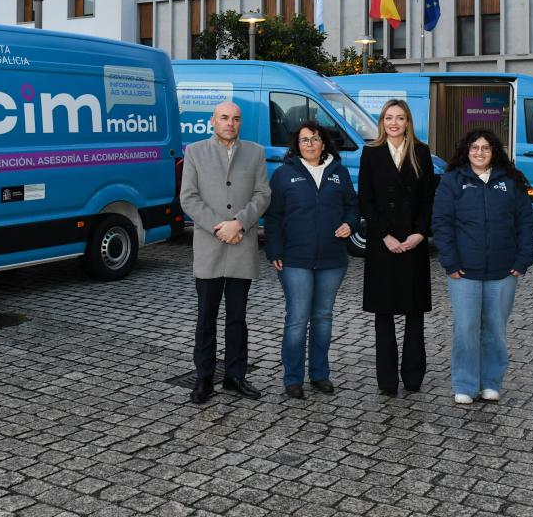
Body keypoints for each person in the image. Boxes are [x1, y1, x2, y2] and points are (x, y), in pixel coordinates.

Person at [432, 129, 533, 405]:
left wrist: (522, 260)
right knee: (466, 328)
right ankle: (465, 384)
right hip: (464, 271)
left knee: (495, 329)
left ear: (494, 152)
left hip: (504, 271)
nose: (480, 152)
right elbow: (441, 223)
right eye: (474, 147)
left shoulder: (511, 181)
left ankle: (491, 382)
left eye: (486, 148)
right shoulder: (452, 181)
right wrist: (450, 262)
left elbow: (526, 221)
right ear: (466, 150)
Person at [179, 101, 271, 405]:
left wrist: (239, 223)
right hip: (210, 247)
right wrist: (220, 227)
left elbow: (263, 194)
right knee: (206, 317)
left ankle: (235, 376)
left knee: (237, 318)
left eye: (235, 118)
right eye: (224, 118)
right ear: (212, 121)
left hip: (241, 246)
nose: (230, 123)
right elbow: (188, 198)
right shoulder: (195, 152)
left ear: (240, 122)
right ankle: (204, 378)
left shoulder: (255, 152)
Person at [264, 121, 359, 399]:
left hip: (332, 259)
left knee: (323, 317)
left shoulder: (339, 173)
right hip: (295, 259)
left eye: (315, 139)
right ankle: (293, 378)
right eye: (304, 140)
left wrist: (350, 224)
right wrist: (274, 251)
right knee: (298, 317)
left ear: (324, 143)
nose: (310, 144)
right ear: (297, 145)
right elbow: (273, 216)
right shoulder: (283, 174)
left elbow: (353, 206)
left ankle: (319, 374)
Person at [357, 99, 437, 397]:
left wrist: (420, 233)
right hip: (383, 245)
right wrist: (384, 235)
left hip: (413, 243)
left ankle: (413, 377)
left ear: (408, 122)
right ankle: (387, 380)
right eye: (388, 117)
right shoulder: (371, 152)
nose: (394, 123)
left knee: (414, 313)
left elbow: (429, 198)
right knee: (384, 314)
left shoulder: (421, 152)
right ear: (382, 122)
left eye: (400, 118)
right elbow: (365, 200)